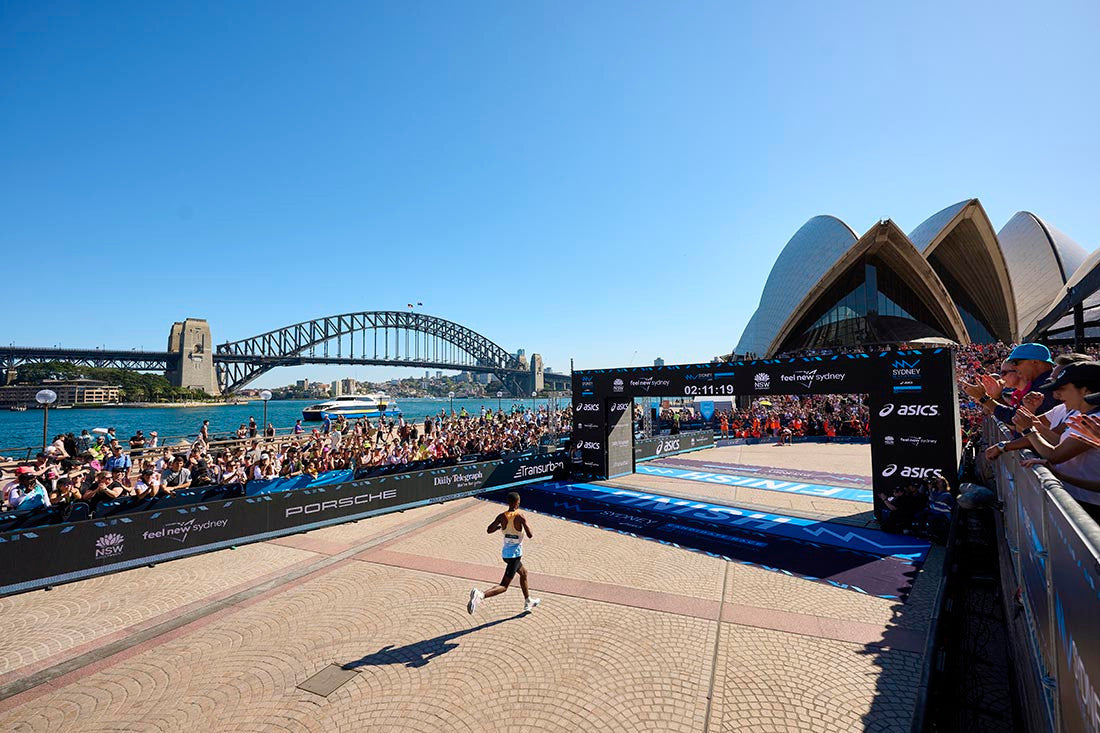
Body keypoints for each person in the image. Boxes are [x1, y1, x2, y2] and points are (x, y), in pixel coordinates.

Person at [467, 492, 540, 614]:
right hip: (514, 556)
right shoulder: (520, 516)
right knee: (504, 586)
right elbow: (530, 535)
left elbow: (489, 530)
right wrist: (525, 525)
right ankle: (480, 595)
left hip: (506, 554)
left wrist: (498, 528)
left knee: (524, 573)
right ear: (518, 502)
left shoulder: (501, 516)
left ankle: (528, 601)